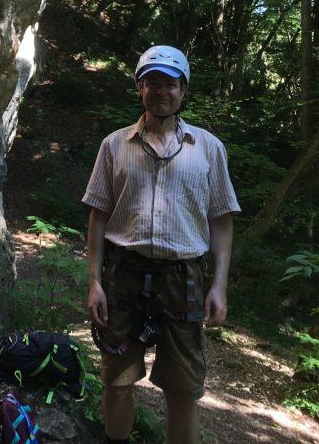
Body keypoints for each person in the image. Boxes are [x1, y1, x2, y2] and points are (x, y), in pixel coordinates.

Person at [83, 45, 240, 444]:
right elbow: (98, 216)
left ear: (183, 90)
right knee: (116, 380)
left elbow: (221, 220)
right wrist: (94, 281)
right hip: (123, 275)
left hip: (182, 278)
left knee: (183, 390)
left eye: (170, 83)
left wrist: (218, 285)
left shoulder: (208, 149)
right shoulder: (114, 145)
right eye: (152, 82)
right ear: (140, 88)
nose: (161, 91)